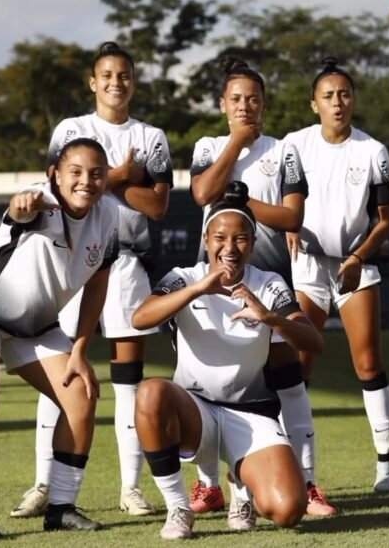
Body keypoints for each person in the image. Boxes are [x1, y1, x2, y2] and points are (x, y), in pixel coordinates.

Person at [13, 41, 173, 519]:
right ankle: (43, 484)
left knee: (128, 382)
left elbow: (157, 206)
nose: (115, 83)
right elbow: (57, 188)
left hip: (127, 263)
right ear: (92, 81)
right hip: (71, 260)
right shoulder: (71, 129)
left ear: (134, 81)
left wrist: (103, 180)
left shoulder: (152, 136)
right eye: (107, 75)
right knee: (59, 376)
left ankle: (131, 488)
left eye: (123, 75)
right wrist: (122, 175)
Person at [0, 138, 119, 540]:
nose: (86, 181)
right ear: (55, 174)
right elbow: (21, 207)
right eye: (75, 172)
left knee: (82, 396)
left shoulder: (109, 215)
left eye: (96, 173)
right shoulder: (40, 200)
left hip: (35, 324)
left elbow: (98, 285)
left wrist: (80, 349)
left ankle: (61, 507)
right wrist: (23, 205)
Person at [130, 181, 321, 539]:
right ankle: (179, 508)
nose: (230, 248)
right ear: (206, 240)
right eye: (220, 238)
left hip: (250, 414)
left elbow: (314, 341)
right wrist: (197, 289)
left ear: (253, 243)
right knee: (150, 393)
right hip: (196, 412)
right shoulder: (184, 277)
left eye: (241, 239)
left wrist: (269, 317)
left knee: (288, 510)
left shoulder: (269, 283)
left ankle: (240, 484)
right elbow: (140, 318)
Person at [189, 57, 335, 516]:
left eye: (253, 99)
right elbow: (202, 193)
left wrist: (240, 202)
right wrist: (235, 143)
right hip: (214, 285)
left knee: (288, 380)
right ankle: (209, 485)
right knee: (209, 378)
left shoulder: (283, 150)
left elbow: (292, 216)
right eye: (236, 99)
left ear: (264, 104)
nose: (244, 106)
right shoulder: (210, 146)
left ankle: (308, 484)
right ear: (222, 104)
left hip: (269, 279)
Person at [282, 58, 389, 491]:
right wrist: (288, 223)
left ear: (354, 100)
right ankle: (298, 469)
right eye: (328, 96)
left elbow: (385, 220)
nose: (338, 103)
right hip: (307, 265)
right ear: (314, 104)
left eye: (344, 94)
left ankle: (386, 464)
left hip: (356, 265)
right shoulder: (294, 145)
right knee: (299, 365)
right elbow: (283, 199)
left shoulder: (373, 151)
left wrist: (358, 257)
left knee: (368, 363)